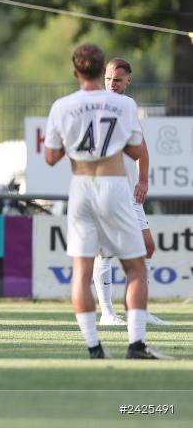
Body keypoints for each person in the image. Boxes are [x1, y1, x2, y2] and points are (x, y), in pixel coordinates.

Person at [44, 43, 169, 360]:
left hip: (82, 187)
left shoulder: (62, 106)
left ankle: (95, 348)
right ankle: (135, 344)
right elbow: (134, 150)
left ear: (75, 72)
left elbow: (50, 157)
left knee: (81, 270)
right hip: (113, 187)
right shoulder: (122, 107)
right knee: (136, 267)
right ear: (102, 73)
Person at [93, 58, 170, 326]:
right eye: (108, 79)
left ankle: (139, 309)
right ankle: (107, 313)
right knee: (105, 250)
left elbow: (141, 146)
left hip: (127, 191)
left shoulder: (128, 105)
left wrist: (143, 180)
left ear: (129, 80)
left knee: (147, 247)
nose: (112, 84)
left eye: (117, 80)